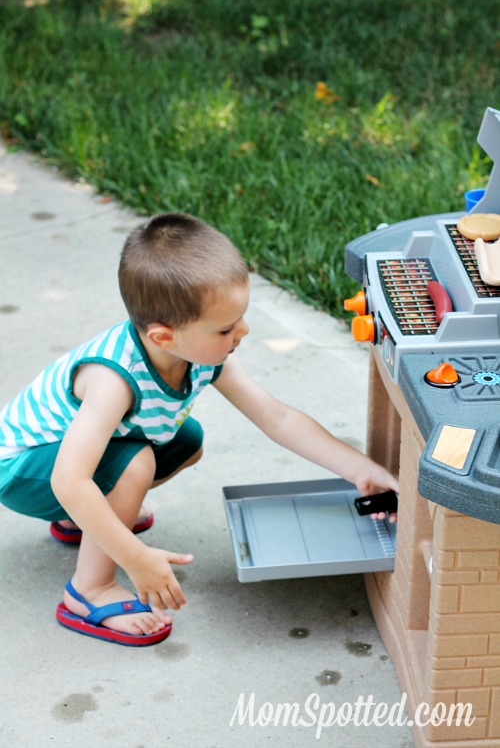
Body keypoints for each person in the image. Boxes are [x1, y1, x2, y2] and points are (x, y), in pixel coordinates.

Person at [0, 213, 399, 646]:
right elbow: (68, 479)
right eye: (227, 328)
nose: (242, 331)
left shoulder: (202, 354)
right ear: (164, 337)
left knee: (187, 440)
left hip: (66, 462)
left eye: (241, 318)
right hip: (22, 470)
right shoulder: (112, 379)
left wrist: (360, 468)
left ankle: (94, 523)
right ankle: (87, 590)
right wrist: (134, 558)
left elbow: (277, 418)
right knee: (135, 465)